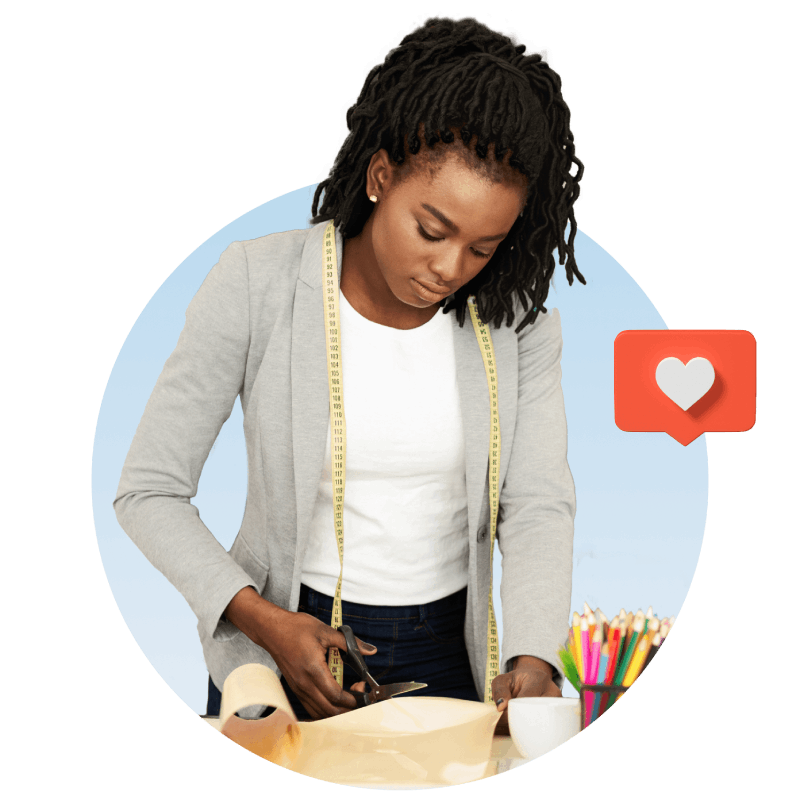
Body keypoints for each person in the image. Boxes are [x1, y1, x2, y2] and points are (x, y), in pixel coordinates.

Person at [113, 14, 583, 738]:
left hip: (456, 654)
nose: (450, 270)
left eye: (483, 248)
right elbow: (149, 491)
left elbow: (538, 504)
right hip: (289, 646)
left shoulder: (515, 323)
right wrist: (265, 623)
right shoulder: (257, 283)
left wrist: (533, 655)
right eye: (431, 229)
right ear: (379, 175)